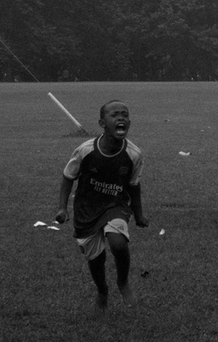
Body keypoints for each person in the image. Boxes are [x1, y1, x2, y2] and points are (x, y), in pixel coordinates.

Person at [55, 100, 148, 308]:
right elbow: (68, 177)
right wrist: (62, 208)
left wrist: (139, 214)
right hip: (86, 209)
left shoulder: (134, 154)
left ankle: (123, 282)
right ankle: (102, 289)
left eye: (124, 114)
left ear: (130, 122)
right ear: (102, 123)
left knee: (118, 243)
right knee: (96, 258)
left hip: (116, 205)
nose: (121, 118)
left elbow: (134, 185)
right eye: (114, 115)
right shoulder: (85, 150)